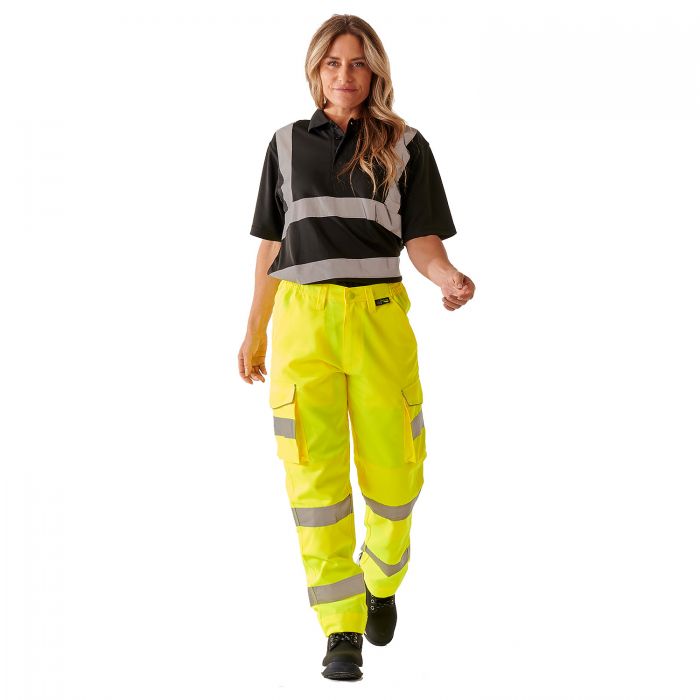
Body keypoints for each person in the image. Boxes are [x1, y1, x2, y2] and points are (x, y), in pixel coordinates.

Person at [239, 14, 475, 682]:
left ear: (376, 72)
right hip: (302, 324)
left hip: (378, 321)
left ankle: (382, 580)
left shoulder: (405, 145)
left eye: (358, 63)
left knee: (395, 473)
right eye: (333, 63)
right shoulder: (285, 145)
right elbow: (272, 243)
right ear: (316, 70)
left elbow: (422, 240)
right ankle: (340, 627)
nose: (345, 75)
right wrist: (254, 328)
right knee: (313, 479)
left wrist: (447, 277)